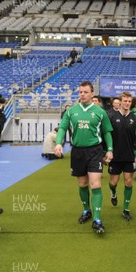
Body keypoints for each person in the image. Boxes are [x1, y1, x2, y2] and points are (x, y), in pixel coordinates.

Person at [54, 82, 113, 234]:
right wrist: (59, 143)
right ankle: (87, 210)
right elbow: (62, 128)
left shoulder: (100, 112)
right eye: (80, 92)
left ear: (92, 94)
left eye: (85, 92)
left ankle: (97, 219)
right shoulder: (71, 111)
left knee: (95, 184)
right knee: (82, 183)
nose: (82, 94)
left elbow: (107, 132)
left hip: (95, 151)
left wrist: (110, 150)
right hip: (77, 152)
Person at [107, 92, 136, 221]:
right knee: (113, 182)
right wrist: (106, 152)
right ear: (120, 102)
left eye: (129, 101)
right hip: (115, 157)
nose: (127, 103)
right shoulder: (111, 117)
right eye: (125, 101)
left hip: (129, 156)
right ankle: (113, 192)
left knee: (128, 181)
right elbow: (107, 136)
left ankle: (126, 209)